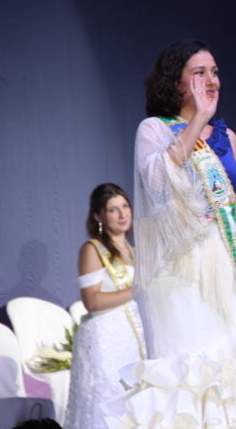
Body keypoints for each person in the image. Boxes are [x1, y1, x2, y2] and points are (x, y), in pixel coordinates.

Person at [105, 39, 236, 427]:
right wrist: (197, 119)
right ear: (175, 83)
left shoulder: (226, 136)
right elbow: (157, 184)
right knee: (188, 374)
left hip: (225, 266)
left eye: (214, 72)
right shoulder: (153, 129)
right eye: (198, 73)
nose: (211, 79)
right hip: (178, 271)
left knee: (226, 373)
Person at [63, 184, 145, 429]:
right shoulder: (93, 249)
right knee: (108, 405)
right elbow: (92, 301)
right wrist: (137, 290)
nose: (122, 215)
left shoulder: (135, 251)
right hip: (106, 340)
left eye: (125, 206)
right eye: (112, 210)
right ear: (98, 216)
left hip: (134, 337)